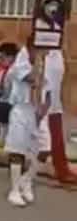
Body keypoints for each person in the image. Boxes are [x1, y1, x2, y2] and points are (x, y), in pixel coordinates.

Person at [2, 39, 50, 207]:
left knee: (45, 149)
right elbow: (33, 80)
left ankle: (27, 179)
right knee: (18, 149)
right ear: (31, 48)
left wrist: (45, 108)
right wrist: (39, 61)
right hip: (21, 109)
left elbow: (49, 89)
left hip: (38, 110)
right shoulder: (20, 65)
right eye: (41, 48)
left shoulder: (46, 63)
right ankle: (14, 190)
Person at [43, 48, 77, 184]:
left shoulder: (59, 54)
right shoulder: (33, 52)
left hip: (55, 105)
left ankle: (60, 168)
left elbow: (65, 79)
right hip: (40, 103)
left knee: (56, 135)